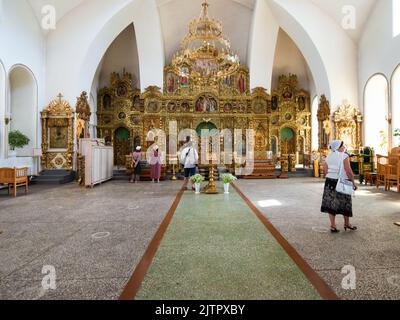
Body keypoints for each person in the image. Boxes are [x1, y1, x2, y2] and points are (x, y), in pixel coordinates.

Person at [321, 140, 358, 233]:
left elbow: (325, 169)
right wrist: (353, 182)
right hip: (342, 181)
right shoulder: (344, 156)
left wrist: (330, 175)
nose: (344, 147)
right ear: (338, 147)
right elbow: (348, 171)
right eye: (342, 146)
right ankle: (347, 223)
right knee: (345, 202)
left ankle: (333, 226)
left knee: (331, 203)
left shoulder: (329, 156)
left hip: (329, 181)